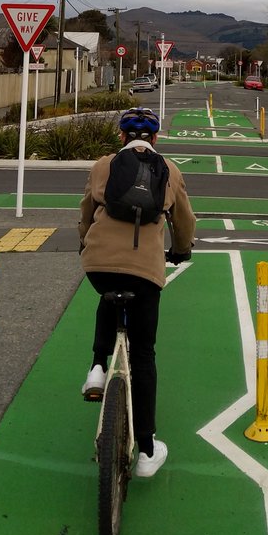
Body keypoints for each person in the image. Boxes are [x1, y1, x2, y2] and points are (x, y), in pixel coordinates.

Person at [78, 106, 196, 477]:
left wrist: (85, 243)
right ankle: (146, 450)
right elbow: (185, 221)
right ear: (156, 138)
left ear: (121, 137)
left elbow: (85, 211)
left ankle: (98, 367)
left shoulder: (103, 165)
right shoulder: (170, 170)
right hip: (145, 270)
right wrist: (180, 251)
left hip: (98, 264)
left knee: (107, 294)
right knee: (144, 353)